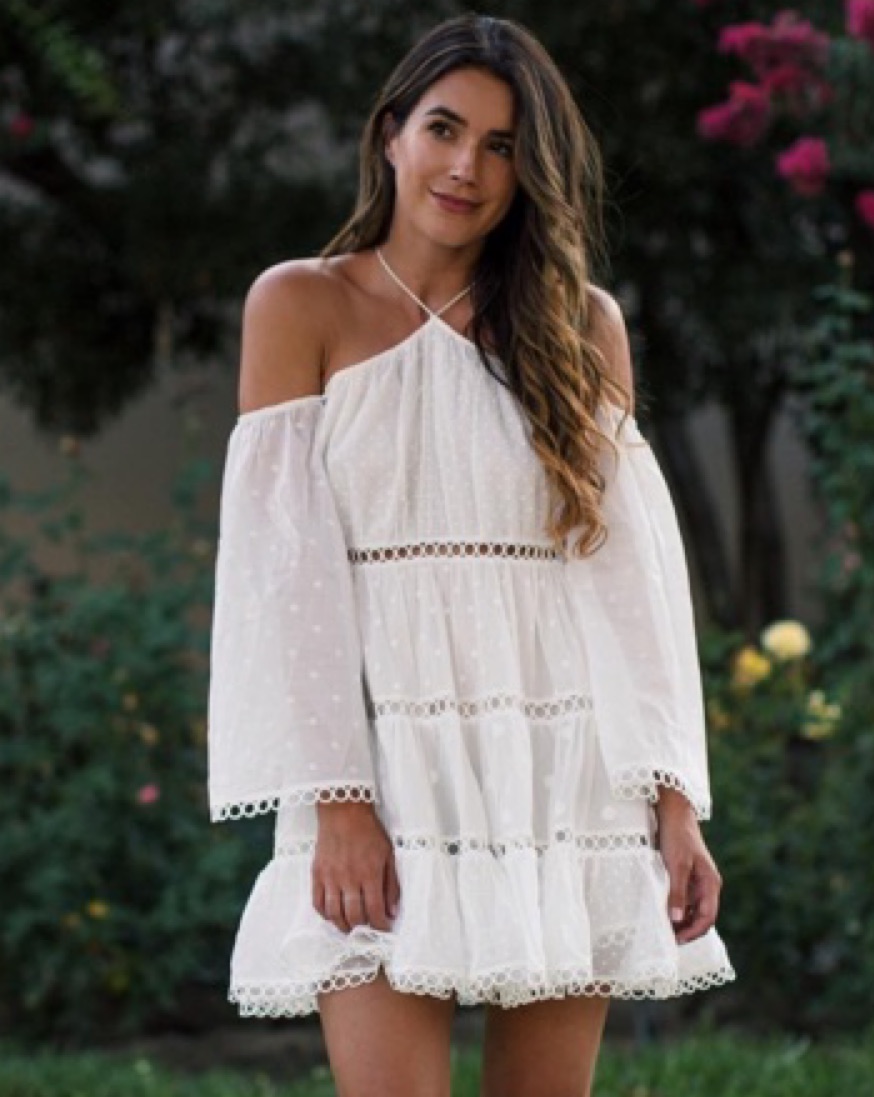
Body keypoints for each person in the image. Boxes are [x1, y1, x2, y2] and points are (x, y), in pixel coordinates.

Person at [206, 12, 735, 1097]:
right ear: (390, 133)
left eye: (502, 146)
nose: (466, 167)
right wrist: (338, 799)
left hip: (563, 767)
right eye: (444, 129)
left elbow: (628, 582)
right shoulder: (300, 303)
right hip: (383, 764)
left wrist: (674, 799)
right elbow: (283, 579)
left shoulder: (580, 324)